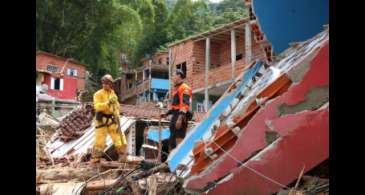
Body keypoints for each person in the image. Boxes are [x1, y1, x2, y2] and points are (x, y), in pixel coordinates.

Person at [91, 74, 127, 163]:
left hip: (111, 119)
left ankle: (122, 156)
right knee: (100, 140)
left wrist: (117, 119)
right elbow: (97, 107)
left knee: (118, 137)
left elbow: (117, 107)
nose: (105, 85)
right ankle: (96, 159)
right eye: (104, 83)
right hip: (101, 120)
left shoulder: (113, 94)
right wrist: (108, 103)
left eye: (107, 83)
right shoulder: (98, 94)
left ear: (110, 84)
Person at [160, 69, 192, 162]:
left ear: (179, 76)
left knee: (179, 140)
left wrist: (180, 119)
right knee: (172, 141)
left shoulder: (184, 88)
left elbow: (185, 105)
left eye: (174, 75)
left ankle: (180, 162)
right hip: (175, 116)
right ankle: (171, 162)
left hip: (180, 117)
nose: (172, 78)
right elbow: (175, 106)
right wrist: (167, 113)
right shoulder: (176, 88)